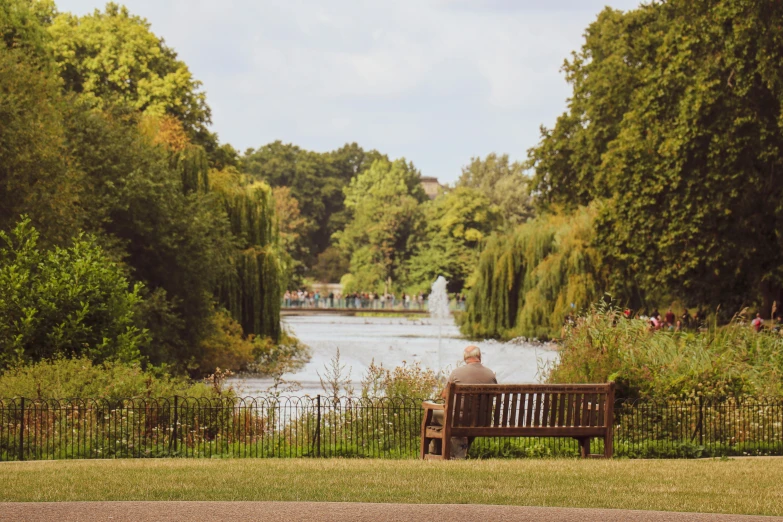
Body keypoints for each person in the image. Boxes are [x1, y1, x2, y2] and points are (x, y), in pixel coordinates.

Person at [426, 345, 497, 459]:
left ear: (465, 358)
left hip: (458, 419)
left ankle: (437, 453)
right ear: (479, 356)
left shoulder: (457, 373)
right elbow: (494, 396)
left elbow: (444, 395)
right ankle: (456, 450)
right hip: (482, 420)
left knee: (434, 415)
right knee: (459, 419)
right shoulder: (490, 374)